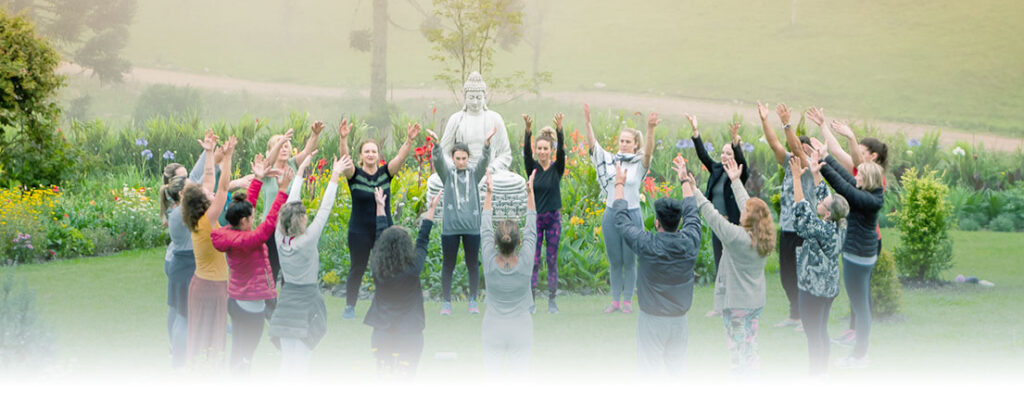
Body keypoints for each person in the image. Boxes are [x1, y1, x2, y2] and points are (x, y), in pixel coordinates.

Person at [806, 107, 889, 346]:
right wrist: (823, 130)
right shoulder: (862, 177)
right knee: (858, 296)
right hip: (858, 244)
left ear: (873, 157)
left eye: (863, 152)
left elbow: (845, 183)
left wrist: (851, 138)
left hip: (865, 244)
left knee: (861, 298)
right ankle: (855, 332)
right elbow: (840, 161)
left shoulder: (873, 181)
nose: (857, 157)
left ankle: (859, 340)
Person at [615, 158, 701, 375]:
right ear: (678, 221)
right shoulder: (690, 240)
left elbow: (622, 221)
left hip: (651, 321)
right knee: (677, 375)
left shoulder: (647, 243)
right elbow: (692, 212)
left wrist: (619, 184)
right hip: (679, 321)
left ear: (656, 221)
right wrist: (684, 180)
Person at [211, 152, 295, 374]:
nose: (254, 217)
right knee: (246, 353)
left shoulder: (232, 232)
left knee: (239, 350)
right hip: (249, 305)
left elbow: (250, 206)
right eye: (251, 217)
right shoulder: (248, 240)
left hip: (238, 300)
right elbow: (269, 223)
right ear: (244, 221)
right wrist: (282, 191)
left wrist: (258, 179)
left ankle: (236, 377)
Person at [269, 154, 352, 377]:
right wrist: (335, 174)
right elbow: (325, 209)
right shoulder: (306, 240)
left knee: (287, 361)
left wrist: (300, 171)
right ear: (301, 221)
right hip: (306, 299)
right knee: (302, 361)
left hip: (287, 301)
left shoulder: (279, 236)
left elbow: (290, 203)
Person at [691, 157, 774, 377]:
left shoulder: (737, 238)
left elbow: (713, 217)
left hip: (737, 305)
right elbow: (747, 204)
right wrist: (736, 181)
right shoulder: (763, 237)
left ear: (750, 218)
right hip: (755, 303)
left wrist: (694, 190)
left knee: (738, 352)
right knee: (750, 345)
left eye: (745, 212)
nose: (742, 211)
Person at [337, 120, 421, 320]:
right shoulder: (354, 175)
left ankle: (387, 303)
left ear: (378, 155)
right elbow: (344, 158)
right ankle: (350, 307)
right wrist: (343, 138)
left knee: (386, 268)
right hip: (359, 231)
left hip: (384, 231)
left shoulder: (386, 174)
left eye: (373, 151)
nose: (370, 154)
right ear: (361, 155)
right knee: (357, 268)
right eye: (366, 151)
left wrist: (409, 140)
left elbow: (401, 157)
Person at [812, 141, 885, 369]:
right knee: (863, 305)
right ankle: (861, 354)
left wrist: (821, 166)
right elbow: (846, 178)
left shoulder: (868, 200)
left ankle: (859, 356)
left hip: (857, 258)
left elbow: (844, 188)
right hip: (863, 255)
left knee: (860, 307)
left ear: (868, 178)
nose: (857, 177)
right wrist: (826, 157)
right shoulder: (870, 191)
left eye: (860, 175)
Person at [584, 103, 660, 314]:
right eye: (622, 141)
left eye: (628, 142)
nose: (624, 145)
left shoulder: (639, 164)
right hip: (611, 214)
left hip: (632, 215)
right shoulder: (609, 161)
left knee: (629, 260)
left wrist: (650, 129)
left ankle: (628, 302)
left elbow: (649, 152)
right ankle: (615, 301)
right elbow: (593, 146)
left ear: (635, 145)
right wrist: (588, 122)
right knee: (615, 260)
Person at [363, 189, 443, 379]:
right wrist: (431, 210)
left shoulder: (378, 267)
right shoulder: (414, 267)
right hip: (410, 335)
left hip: (382, 334)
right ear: (407, 245)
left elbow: (379, 235)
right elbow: (423, 239)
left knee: (385, 381)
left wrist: (380, 207)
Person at [758, 101, 816, 330]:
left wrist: (786, 123)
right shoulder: (788, 166)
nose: (798, 151)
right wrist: (764, 119)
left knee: (804, 275)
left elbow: (798, 150)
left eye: (803, 148)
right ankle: (795, 315)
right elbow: (774, 144)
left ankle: (808, 317)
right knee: (787, 276)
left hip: (804, 230)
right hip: (787, 228)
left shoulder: (810, 169)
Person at [789, 153, 849, 375]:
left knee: (813, 334)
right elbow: (827, 197)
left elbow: (802, 213)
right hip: (828, 288)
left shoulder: (822, 229)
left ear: (827, 213)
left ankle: (816, 376)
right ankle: (822, 373)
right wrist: (816, 175)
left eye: (822, 204)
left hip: (813, 289)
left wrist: (797, 179)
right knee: (821, 330)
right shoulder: (839, 224)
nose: (820, 202)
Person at [684, 114, 749, 317]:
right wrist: (696, 132)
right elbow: (703, 155)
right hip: (717, 226)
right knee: (720, 266)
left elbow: (741, 160)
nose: (724, 156)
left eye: (729, 153)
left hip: (733, 228)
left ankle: (736, 305)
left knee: (734, 268)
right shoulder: (717, 169)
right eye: (722, 153)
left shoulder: (740, 173)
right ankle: (720, 307)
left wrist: (735, 140)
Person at [180, 132, 236, 367]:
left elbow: (210, 182)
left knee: (201, 339)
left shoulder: (199, 217)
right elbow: (222, 190)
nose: (209, 191)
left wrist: (210, 152)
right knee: (209, 341)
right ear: (201, 203)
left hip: (204, 285)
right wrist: (228, 156)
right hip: (211, 288)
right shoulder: (207, 220)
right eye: (206, 194)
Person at [158, 140, 214, 369]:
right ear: (182, 193)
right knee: (185, 317)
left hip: (179, 266)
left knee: (179, 313)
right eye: (191, 187)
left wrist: (208, 152)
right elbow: (207, 184)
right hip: (186, 267)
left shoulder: (176, 210)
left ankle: (178, 357)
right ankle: (179, 362)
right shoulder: (182, 214)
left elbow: (199, 179)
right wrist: (211, 156)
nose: (196, 188)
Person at [428, 126, 493, 315]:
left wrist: (486, 144)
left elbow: (484, 161)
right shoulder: (447, 175)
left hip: (472, 228)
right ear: (453, 158)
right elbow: (439, 161)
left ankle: (473, 301)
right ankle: (446, 303)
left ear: (468, 158)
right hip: (450, 229)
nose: (462, 162)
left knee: (473, 265)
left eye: (464, 158)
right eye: (458, 158)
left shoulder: (474, 174)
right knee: (448, 265)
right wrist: (437, 144)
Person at [480, 170, 537, 376]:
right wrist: (530, 193)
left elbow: (485, 227)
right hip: (521, 329)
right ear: (519, 241)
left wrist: (489, 193)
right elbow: (531, 228)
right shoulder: (526, 261)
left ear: (495, 241)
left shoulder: (489, 260)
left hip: (493, 328)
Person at [260, 123, 321, 286]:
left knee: (290, 270)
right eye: (280, 146)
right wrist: (281, 140)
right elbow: (268, 161)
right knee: (271, 269)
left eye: (287, 146)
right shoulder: (267, 171)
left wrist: (314, 135)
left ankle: (289, 299)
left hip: (291, 226)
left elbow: (307, 151)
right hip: (271, 227)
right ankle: (269, 301)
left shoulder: (294, 164)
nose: (284, 149)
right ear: (271, 150)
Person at [522, 113, 566, 314]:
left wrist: (559, 130)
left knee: (551, 259)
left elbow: (562, 151)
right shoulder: (532, 168)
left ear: (551, 150)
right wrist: (528, 130)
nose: (541, 152)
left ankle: (552, 301)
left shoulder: (557, 168)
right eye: (539, 148)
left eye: (545, 149)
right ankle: (531, 301)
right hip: (535, 219)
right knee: (534, 261)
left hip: (553, 218)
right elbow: (525, 153)